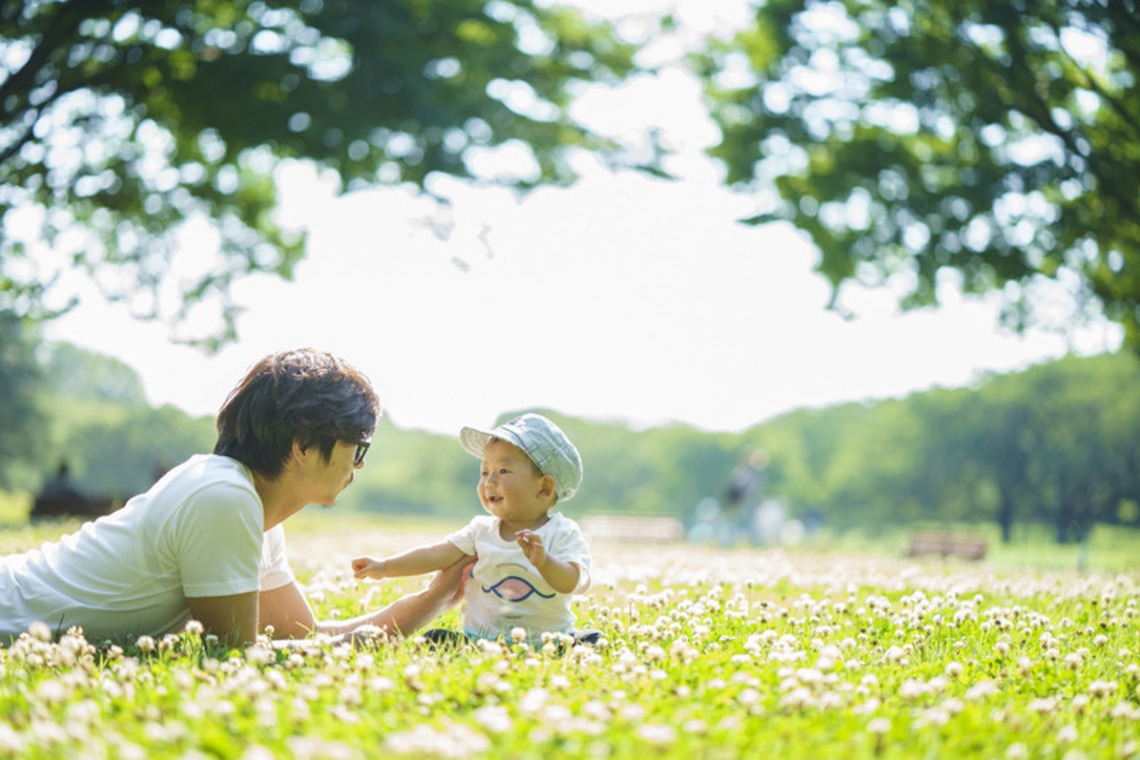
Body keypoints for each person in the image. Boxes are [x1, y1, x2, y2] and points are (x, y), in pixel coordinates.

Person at [1, 348, 468, 647]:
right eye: (357, 447)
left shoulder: (254, 509)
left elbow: (305, 636)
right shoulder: (224, 497)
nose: (359, 465)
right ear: (303, 446)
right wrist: (361, 644)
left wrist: (437, 596)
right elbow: (235, 655)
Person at [352, 413, 595, 646]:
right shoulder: (480, 530)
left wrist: (544, 561)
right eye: (485, 472)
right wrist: (385, 567)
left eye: (503, 471)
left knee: (592, 640)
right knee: (435, 639)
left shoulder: (563, 532)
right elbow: (435, 555)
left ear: (545, 487)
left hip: (548, 642)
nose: (489, 482)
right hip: (479, 640)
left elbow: (572, 581)